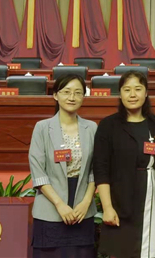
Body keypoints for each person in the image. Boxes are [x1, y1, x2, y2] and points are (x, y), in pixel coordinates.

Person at [93, 71, 155, 258]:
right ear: (120, 94)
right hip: (121, 200)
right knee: (123, 251)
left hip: (151, 197)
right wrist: (107, 207)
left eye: (138, 89)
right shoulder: (108, 125)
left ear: (146, 93)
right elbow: (101, 169)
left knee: (149, 251)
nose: (132, 95)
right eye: (127, 90)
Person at [29, 74, 97, 258]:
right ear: (55, 95)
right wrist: (59, 204)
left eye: (77, 92)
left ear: (83, 96)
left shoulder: (92, 128)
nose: (72, 97)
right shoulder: (42, 128)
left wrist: (86, 202)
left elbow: (96, 170)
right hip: (50, 206)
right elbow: (38, 171)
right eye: (66, 92)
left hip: (82, 209)